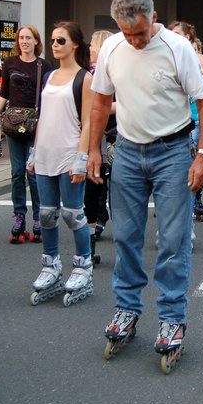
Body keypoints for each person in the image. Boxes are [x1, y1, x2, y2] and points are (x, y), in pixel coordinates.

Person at [87, 0, 203, 367]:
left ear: (153, 17)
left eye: (140, 33)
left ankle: (172, 317)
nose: (135, 41)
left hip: (173, 151)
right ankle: (126, 308)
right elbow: (99, 102)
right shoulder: (112, 48)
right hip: (127, 151)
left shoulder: (178, 48)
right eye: (127, 34)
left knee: (173, 240)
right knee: (126, 236)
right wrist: (92, 150)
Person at [28, 21, 96, 306]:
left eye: (61, 40)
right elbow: (42, 115)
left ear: (75, 44)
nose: (55, 45)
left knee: (72, 214)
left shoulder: (84, 78)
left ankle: (83, 267)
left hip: (69, 153)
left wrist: (82, 158)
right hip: (45, 153)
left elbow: (88, 121)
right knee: (46, 214)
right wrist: (34, 152)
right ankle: (51, 266)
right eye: (53, 40)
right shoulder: (49, 75)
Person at [0, 25, 52, 243]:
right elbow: (4, 94)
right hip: (13, 124)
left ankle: (38, 217)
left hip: (35, 125)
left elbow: (48, 97)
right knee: (16, 173)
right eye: (21, 38)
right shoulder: (10, 63)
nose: (24, 41)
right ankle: (19, 217)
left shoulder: (43, 65)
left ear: (36, 41)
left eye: (28, 38)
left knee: (33, 172)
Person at [171, 21, 203, 223]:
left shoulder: (197, 57)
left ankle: (190, 208)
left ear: (188, 38)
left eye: (177, 34)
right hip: (172, 121)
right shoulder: (164, 57)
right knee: (174, 169)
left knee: (191, 166)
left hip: (194, 120)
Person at [84, 29, 114, 249]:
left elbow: (124, 104)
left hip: (114, 136)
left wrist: (99, 108)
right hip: (96, 138)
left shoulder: (113, 73)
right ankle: (93, 233)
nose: (89, 49)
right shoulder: (87, 74)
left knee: (117, 189)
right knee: (95, 187)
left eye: (93, 44)